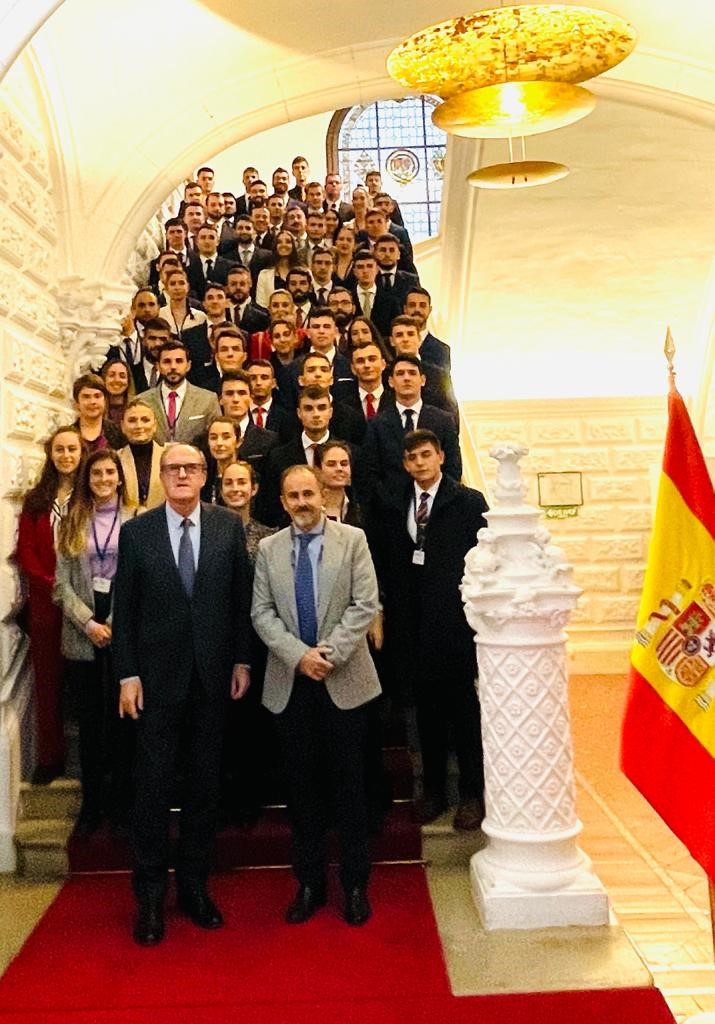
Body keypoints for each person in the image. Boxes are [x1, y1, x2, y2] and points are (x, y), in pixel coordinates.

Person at [113, 443, 252, 946]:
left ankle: (194, 887)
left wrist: (241, 658)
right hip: (155, 684)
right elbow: (123, 612)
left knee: (203, 788)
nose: (181, 476)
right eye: (172, 469)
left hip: (213, 679)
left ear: (204, 473)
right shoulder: (137, 532)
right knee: (151, 789)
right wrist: (127, 674)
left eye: (191, 468)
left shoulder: (226, 527)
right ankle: (149, 895)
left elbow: (241, 599)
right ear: (163, 477)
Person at [251, 465, 380, 925]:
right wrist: (299, 656)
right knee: (301, 791)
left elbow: (366, 603)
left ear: (323, 494)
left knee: (350, 789)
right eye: (293, 496)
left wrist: (329, 653)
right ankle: (309, 883)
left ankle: (356, 885)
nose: (303, 502)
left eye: (309, 493)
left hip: (345, 681)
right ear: (283, 502)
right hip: (292, 684)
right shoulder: (268, 549)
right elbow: (262, 613)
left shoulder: (354, 541)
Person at [372, 430, 488, 830]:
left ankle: (473, 793)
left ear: (440, 456)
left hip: (454, 624)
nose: (420, 463)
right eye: (412, 458)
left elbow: (485, 559)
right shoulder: (394, 501)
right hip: (412, 625)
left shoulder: (468, 502)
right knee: (426, 715)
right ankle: (434, 791)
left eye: (426, 455)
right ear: (404, 463)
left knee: (463, 712)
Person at [53, 449, 132, 835]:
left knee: (120, 723)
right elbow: (60, 584)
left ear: (120, 477)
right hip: (82, 631)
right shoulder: (72, 520)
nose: (103, 478)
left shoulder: (136, 521)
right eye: (96, 473)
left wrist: (115, 621)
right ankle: (91, 804)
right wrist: (88, 622)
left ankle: (120, 803)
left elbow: (138, 580)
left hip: (122, 630)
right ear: (88, 478)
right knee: (89, 725)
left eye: (109, 472)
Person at [16, 426, 83, 784]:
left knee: (87, 685)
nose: (66, 455)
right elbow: (26, 550)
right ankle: (50, 757)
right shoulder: (36, 499)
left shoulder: (90, 496)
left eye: (72, 449)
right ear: (51, 454)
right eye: (60, 449)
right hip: (46, 604)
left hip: (85, 604)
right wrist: (52, 584)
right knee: (48, 684)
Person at [356, 354, 462, 509]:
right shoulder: (377, 424)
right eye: (400, 373)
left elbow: (453, 467)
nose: (406, 378)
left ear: (423, 380)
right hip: (391, 511)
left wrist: (436, 500)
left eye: (412, 373)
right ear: (391, 382)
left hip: (437, 506)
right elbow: (370, 472)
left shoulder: (443, 420)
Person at [136, 341, 221, 445]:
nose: (173, 367)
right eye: (167, 361)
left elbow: (216, 436)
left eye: (179, 361)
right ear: (158, 366)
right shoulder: (141, 401)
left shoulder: (208, 399)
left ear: (188, 365)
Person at [117, 400, 165, 514]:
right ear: (123, 426)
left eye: (145, 420)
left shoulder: (170, 458)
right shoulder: (115, 459)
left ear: (155, 425)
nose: (139, 426)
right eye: (132, 420)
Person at [72, 373, 125, 452]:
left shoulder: (118, 434)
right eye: (86, 397)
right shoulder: (69, 434)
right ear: (77, 404)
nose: (92, 402)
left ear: (105, 401)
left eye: (97, 396)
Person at [255, 230, 302, 310]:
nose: (284, 245)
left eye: (288, 242)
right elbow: (261, 304)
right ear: (275, 246)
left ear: (293, 246)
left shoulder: (304, 272)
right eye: (279, 242)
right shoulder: (264, 275)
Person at [201, 415, 240, 503]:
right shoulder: (204, 476)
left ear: (238, 442)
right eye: (213, 438)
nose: (219, 443)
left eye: (226, 437)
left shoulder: (248, 474)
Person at [101, 358, 134, 426]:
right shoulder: (96, 409)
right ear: (104, 379)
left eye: (122, 376)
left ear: (128, 381)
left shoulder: (137, 408)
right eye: (112, 375)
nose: (117, 380)